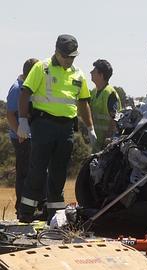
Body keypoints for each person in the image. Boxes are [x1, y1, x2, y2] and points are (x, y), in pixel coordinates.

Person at [16, 34, 97, 223]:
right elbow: (25, 93)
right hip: (43, 125)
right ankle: (26, 212)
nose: (70, 60)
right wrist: (22, 121)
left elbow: (83, 102)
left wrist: (90, 127)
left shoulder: (78, 73)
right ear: (57, 53)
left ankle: (55, 215)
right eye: (67, 56)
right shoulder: (42, 68)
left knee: (59, 172)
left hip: (66, 128)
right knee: (37, 169)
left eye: (73, 57)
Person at [6, 58, 38, 212]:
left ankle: (32, 206)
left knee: (33, 172)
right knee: (24, 173)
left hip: (31, 137)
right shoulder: (16, 89)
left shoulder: (30, 87)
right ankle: (21, 208)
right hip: (21, 138)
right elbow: (10, 114)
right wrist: (20, 131)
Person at [89, 59, 122, 152]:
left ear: (101, 75)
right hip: (97, 143)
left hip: (106, 144)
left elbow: (115, 119)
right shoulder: (94, 92)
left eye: (94, 71)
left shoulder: (109, 93)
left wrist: (107, 140)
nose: (90, 72)